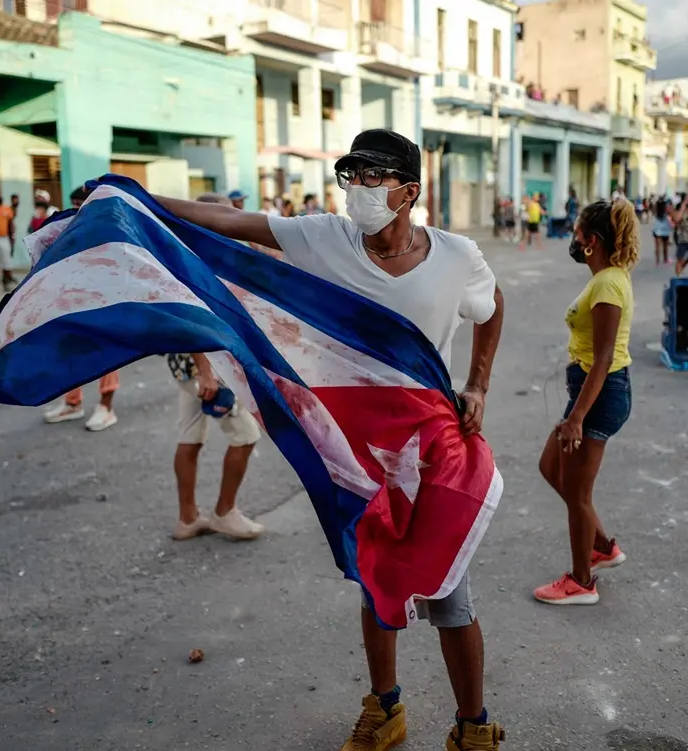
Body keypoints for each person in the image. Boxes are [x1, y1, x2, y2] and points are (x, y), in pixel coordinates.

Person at [150, 128, 506, 751]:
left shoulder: (456, 256)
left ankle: (472, 725)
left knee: (450, 593)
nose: (357, 189)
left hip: (431, 452)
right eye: (352, 176)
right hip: (358, 453)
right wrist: (138, 198)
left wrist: (477, 384)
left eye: (373, 177)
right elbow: (233, 222)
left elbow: (493, 303)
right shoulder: (324, 237)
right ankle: (385, 708)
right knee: (374, 578)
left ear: (408, 192)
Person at [534, 198, 637, 606]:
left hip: (600, 394)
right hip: (591, 392)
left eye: (578, 232)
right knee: (551, 466)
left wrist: (576, 417)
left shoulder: (609, 283)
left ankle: (581, 582)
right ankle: (602, 547)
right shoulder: (605, 278)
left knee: (578, 493)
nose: (573, 239)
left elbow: (605, 357)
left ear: (592, 240)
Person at [164, 190, 268, 542]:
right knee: (246, 436)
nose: (231, 223)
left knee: (190, 436)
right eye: (224, 216)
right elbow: (191, 317)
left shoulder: (190, 253)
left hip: (187, 364)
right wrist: (206, 372)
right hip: (207, 364)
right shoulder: (194, 260)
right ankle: (226, 512)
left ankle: (188, 518)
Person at [43, 184, 122, 431]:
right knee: (70, 350)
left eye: (81, 204)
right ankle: (72, 402)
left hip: (106, 301)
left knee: (106, 354)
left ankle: (106, 407)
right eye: (74, 205)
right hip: (75, 300)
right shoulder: (71, 228)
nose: (77, 210)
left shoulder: (110, 228)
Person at [651, 195, 671, 265]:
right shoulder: (666, 208)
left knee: (657, 246)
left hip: (657, 229)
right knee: (665, 245)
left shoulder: (655, 207)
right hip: (665, 229)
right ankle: (665, 259)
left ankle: (657, 261)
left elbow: (653, 212)